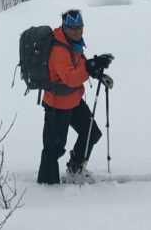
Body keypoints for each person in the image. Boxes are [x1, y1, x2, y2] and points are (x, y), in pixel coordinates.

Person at [37, 9, 114, 185]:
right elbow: (71, 78)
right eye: (73, 28)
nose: (77, 31)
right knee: (53, 150)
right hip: (57, 105)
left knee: (91, 133)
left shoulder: (74, 43)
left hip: (73, 100)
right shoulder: (59, 50)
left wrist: (96, 71)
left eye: (80, 27)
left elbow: (80, 66)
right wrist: (89, 67)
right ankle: (46, 188)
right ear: (65, 27)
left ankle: (75, 168)